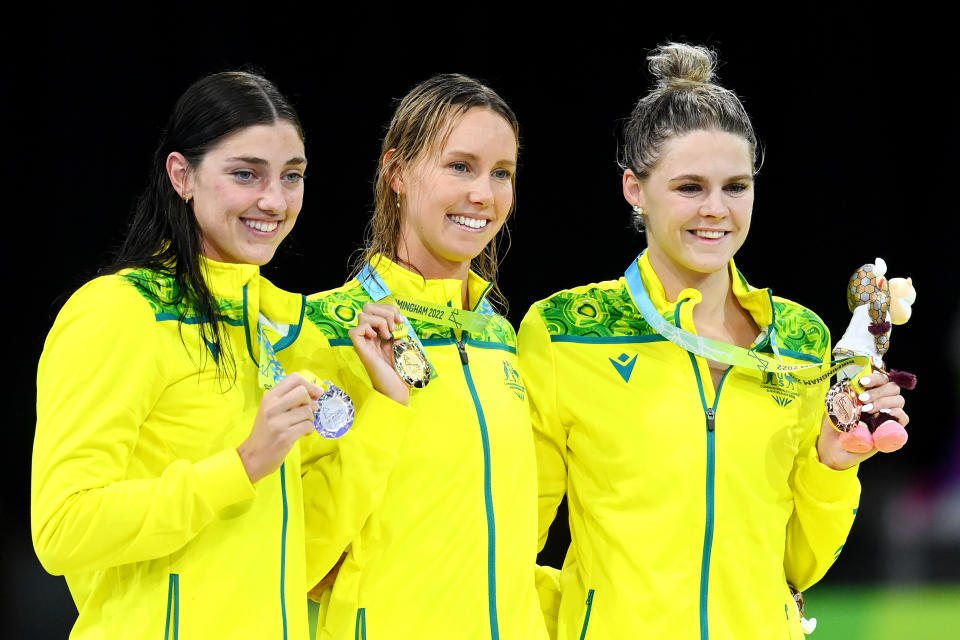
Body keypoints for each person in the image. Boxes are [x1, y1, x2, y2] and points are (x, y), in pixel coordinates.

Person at [518, 43, 911, 639]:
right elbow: (514, 538)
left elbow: (799, 564)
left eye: (735, 186)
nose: (716, 210)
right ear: (633, 188)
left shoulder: (800, 340)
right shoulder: (566, 329)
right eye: (689, 187)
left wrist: (836, 463)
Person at [31, 71, 410, 639]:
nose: (274, 201)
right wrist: (241, 465)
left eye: (292, 176)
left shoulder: (277, 330)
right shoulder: (117, 312)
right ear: (182, 175)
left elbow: (298, 557)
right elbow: (64, 529)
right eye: (245, 174)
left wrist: (388, 408)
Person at [299, 74, 548, 639]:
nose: (483, 194)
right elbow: (297, 555)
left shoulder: (500, 338)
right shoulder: (327, 332)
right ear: (398, 173)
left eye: (501, 173)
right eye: (460, 166)